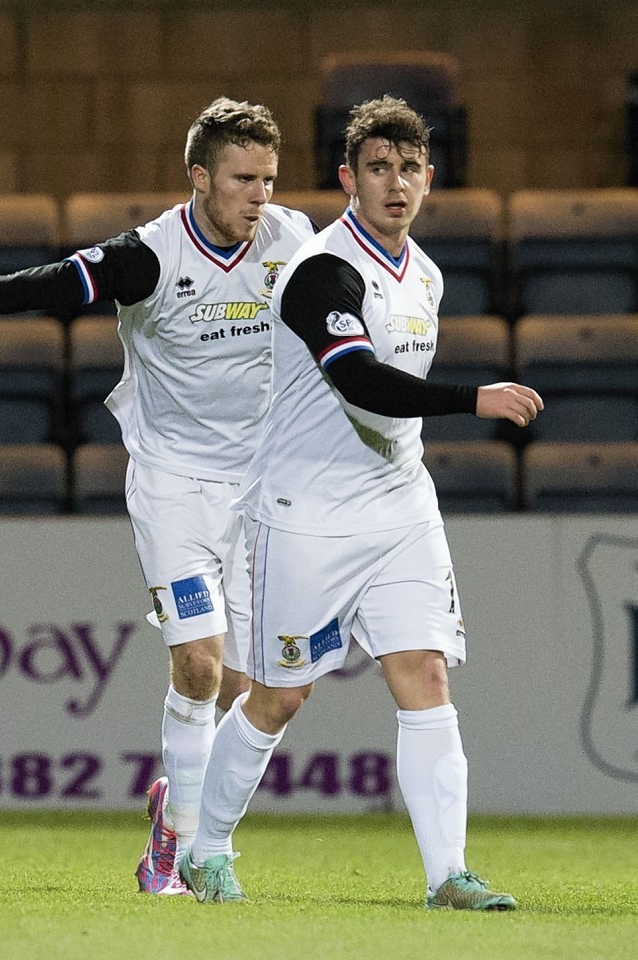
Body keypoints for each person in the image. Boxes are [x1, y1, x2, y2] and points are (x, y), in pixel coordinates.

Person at [0, 97, 314, 896]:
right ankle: (187, 852)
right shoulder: (152, 256)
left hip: (264, 492)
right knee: (200, 668)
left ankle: (178, 798)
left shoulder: (295, 240)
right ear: (199, 177)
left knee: (248, 691)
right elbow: (44, 284)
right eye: (243, 179)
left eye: (269, 180)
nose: (259, 197)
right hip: (174, 483)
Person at [177, 96, 539, 910]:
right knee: (277, 698)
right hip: (305, 510)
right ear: (348, 178)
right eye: (378, 168)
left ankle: (449, 873)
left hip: (401, 506)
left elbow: (388, 408)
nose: (396, 183)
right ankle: (205, 848)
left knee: (424, 674)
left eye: (410, 168)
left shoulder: (429, 274)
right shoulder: (322, 272)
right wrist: (475, 400)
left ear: (429, 178)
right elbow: (360, 380)